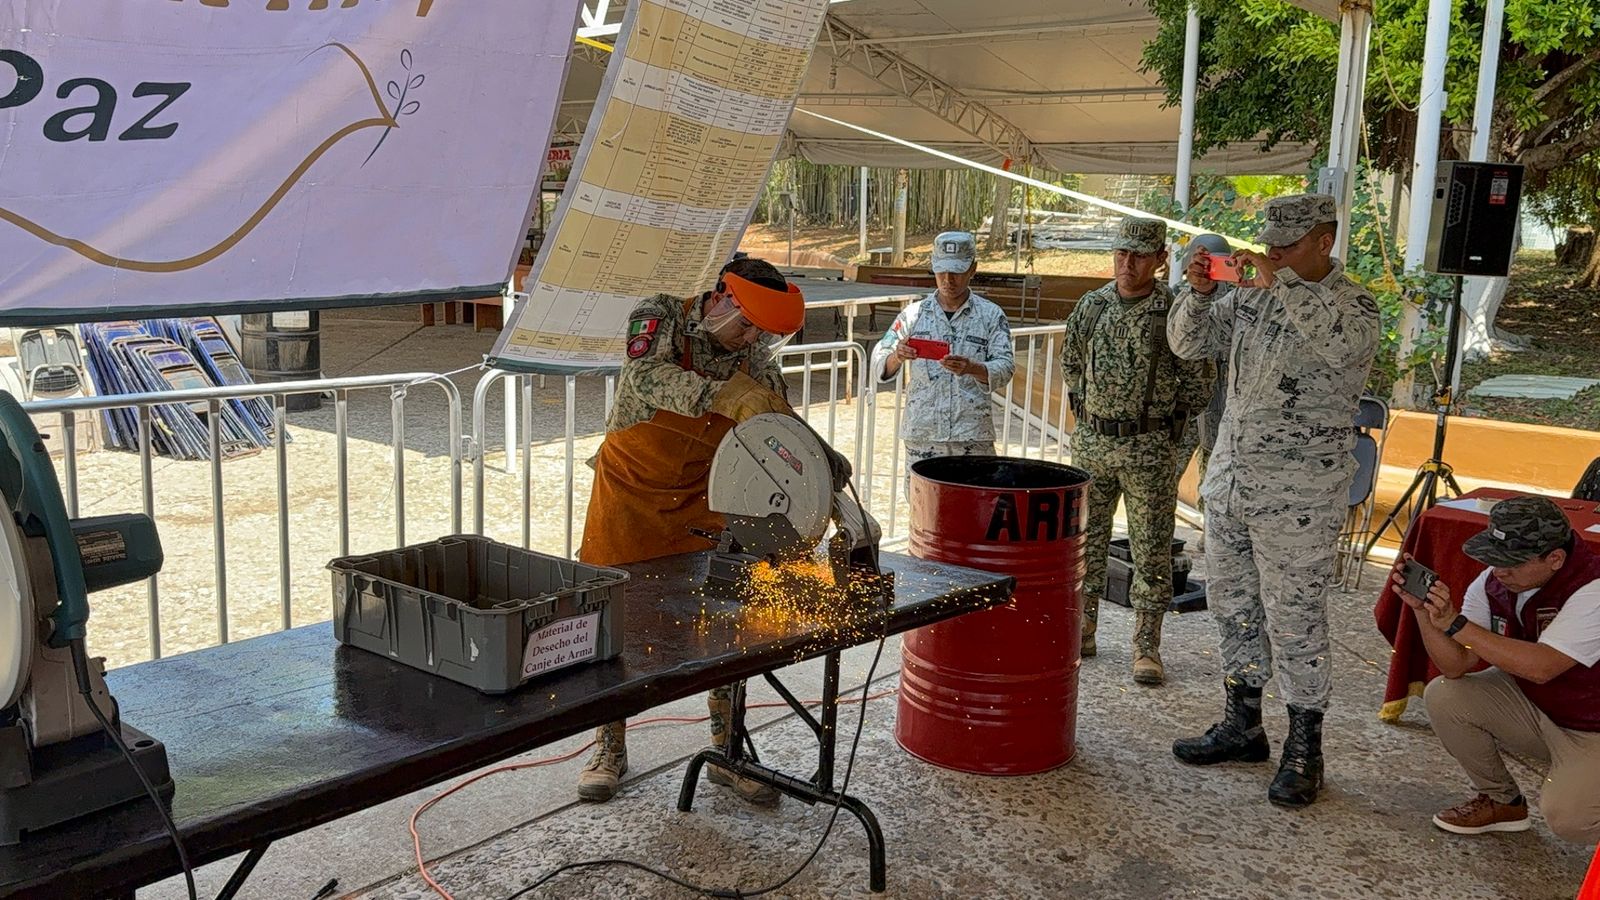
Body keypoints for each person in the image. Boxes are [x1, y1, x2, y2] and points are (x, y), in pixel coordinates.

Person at [1166, 194, 1380, 807]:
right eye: (1272, 241)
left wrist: (1277, 281)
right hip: (1232, 480)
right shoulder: (1256, 293)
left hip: (1299, 498)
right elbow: (1188, 344)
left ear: (1325, 240)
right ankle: (1243, 724)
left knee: (1296, 621)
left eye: (1289, 242)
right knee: (1234, 608)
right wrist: (1202, 292)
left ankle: (1304, 748)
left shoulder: (1352, 304)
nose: (1275, 251)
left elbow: (1338, 348)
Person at [575, 257, 805, 806]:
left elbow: (777, 421)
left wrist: (817, 460)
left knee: (720, 622)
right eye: (746, 323)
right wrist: (725, 396)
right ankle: (609, 746)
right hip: (630, 496)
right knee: (617, 623)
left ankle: (728, 753)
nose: (751, 339)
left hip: (704, 500)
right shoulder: (660, 317)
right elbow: (644, 378)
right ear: (721, 295)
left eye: (762, 333)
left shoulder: (754, 356)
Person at [1390, 496, 1600, 842]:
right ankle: (1504, 802)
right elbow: (1456, 665)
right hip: (1543, 709)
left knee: (1570, 819)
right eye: (1496, 558)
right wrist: (1424, 613)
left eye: (1513, 562)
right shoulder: (1495, 581)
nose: (1500, 571)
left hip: (1591, 728)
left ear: (1555, 559)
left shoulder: (1591, 588)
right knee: (1445, 695)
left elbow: (1542, 667)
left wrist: (1456, 624)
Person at [1060, 217, 1213, 686]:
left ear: (1161, 259)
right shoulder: (1093, 306)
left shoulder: (1173, 310)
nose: (1128, 264)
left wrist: (1167, 439)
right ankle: (1083, 628)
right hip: (1092, 444)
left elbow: (1197, 385)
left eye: (1140, 255)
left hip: (1148, 448)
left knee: (1150, 550)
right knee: (1084, 544)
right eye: (1122, 253)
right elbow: (1071, 364)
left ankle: (1147, 645)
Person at [869, 231, 1015, 486]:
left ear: (973, 269)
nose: (948, 280)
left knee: (976, 509)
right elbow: (880, 359)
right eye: (941, 272)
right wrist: (898, 355)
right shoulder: (914, 315)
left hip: (971, 438)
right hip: (924, 438)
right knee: (925, 512)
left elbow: (1005, 366)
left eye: (957, 271)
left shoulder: (991, 316)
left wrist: (973, 368)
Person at [1170, 234, 1233, 543]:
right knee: (1166, 480)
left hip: (1222, 413)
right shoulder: (1182, 297)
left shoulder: (1242, 301)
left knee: (1215, 488)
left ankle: (1212, 542)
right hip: (1185, 410)